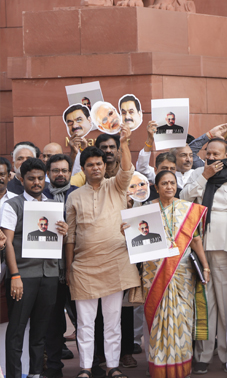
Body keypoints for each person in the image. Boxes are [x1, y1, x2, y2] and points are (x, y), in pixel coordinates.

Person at [65, 125, 140, 378]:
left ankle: (112, 366)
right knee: (86, 323)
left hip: (116, 263)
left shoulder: (116, 186)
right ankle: (85, 367)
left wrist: (125, 143)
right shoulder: (74, 197)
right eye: (90, 165)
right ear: (83, 169)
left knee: (113, 322)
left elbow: (128, 169)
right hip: (84, 268)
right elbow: (71, 236)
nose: (96, 167)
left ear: (104, 165)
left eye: (99, 163)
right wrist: (68, 268)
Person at [180, 138, 227, 373]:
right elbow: (184, 199)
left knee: (226, 302)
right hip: (198, 247)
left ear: (226, 156)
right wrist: (204, 177)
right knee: (205, 303)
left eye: (216, 154)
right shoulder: (197, 174)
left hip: (225, 247)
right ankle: (203, 354)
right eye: (208, 153)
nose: (211, 157)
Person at [135, 170, 210, 378]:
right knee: (159, 319)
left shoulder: (187, 209)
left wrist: (205, 265)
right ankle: (159, 367)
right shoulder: (146, 210)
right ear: (156, 187)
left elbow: (195, 240)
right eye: (164, 184)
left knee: (183, 318)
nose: (169, 187)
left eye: (172, 183)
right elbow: (137, 239)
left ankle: (181, 367)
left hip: (182, 271)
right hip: (154, 271)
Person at [1, 158, 68, 378]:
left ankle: (35, 374)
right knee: (17, 332)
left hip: (48, 276)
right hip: (22, 277)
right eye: (31, 178)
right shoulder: (13, 206)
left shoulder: (52, 206)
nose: (37, 182)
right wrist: (15, 275)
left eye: (40, 178)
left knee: (41, 333)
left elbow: (57, 241)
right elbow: (7, 243)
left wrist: (63, 230)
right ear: (21, 180)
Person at [42, 153, 76, 378]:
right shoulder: (37, 196)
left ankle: (91, 365)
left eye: (64, 170)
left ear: (70, 173)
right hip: (50, 269)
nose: (60, 174)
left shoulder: (78, 195)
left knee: (85, 320)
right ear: (48, 174)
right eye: (56, 171)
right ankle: (53, 368)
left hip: (77, 267)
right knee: (53, 322)